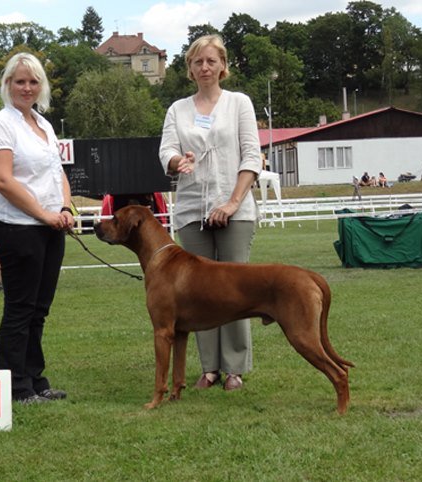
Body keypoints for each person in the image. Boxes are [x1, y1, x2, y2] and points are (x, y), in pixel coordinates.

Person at [159, 35, 262, 392]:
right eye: (198, 62)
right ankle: (210, 368)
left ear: (222, 66)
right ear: (189, 68)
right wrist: (177, 161)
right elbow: (166, 151)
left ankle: (234, 367)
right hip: (192, 210)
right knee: (198, 293)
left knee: (234, 290)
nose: (204, 67)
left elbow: (252, 156)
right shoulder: (178, 109)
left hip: (235, 208)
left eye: (211, 61)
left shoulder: (239, 103)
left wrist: (232, 203)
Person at [0, 52, 74, 404]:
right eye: (20, 81)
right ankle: (16, 387)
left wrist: (63, 208)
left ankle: (35, 380)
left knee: (39, 310)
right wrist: (43, 214)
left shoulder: (44, 124)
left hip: (50, 228)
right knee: (20, 309)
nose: (27, 87)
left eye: (34, 81)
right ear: (8, 84)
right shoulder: (0, 124)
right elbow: (3, 180)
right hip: (19, 228)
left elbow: (57, 173)